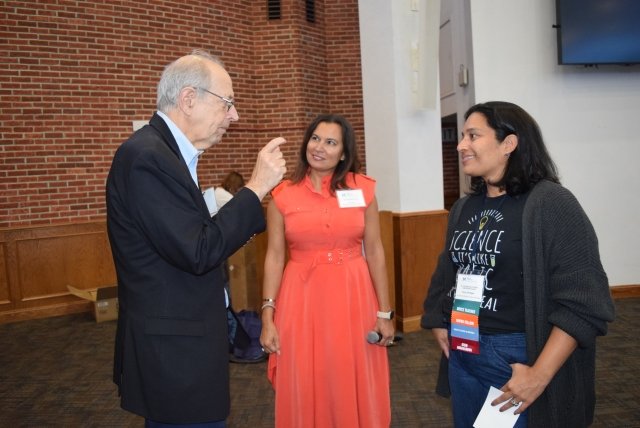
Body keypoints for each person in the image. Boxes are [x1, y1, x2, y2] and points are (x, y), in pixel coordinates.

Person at [106, 49, 286, 427]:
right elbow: (199, 249)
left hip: (183, 342)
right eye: (228, 103)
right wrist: (255, 188)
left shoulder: (164, 155)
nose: (234, 116)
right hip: (174, 352)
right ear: (189, 99)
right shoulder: (147, 158)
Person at [421, 101, 615, 427]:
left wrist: (539, 375)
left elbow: (585, 302)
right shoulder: (465, 207)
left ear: (508, 144)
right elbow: (449, 271)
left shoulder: (551, 204)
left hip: (515, 360)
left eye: (473, 135)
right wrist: (439, 320)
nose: (461, 145)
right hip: (463, 352)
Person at [259, 113, 394, 427]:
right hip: (301, 300)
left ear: (344, 152)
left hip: (353, 297)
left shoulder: (363, 190)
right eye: (315, 138)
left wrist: (385, 313)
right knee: (306, 375)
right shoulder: (282, 196)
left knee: (350, 372)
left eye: (331, 142)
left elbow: (374, 250)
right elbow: (275, 257)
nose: (319, 147)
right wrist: (268, 314)